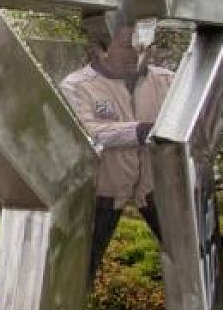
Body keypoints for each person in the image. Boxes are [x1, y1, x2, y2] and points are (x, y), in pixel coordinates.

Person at [59, 25, 173, 286]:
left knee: (188, 258)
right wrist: (138, 131)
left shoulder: (166, 81)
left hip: (156, 189)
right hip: (102, 192)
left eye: (139, 45)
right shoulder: (76, 86)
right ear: (99, 50)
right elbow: (86, 133)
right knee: (78, 272)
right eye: (126, 45)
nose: (135, 52)